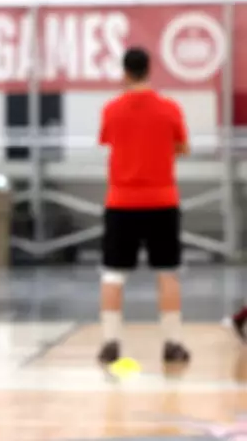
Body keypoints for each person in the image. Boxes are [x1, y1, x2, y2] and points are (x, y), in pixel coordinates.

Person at [97, 48, 191, 365]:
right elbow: (182, 147)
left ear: (124, 73)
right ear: (150, 69)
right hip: (162, 201)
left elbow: (110, 142)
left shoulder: (112, 110)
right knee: (168, 273)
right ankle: (173, 344)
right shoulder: (170, 109)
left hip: (121, 201)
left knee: (113, 274)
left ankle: (110, 343)